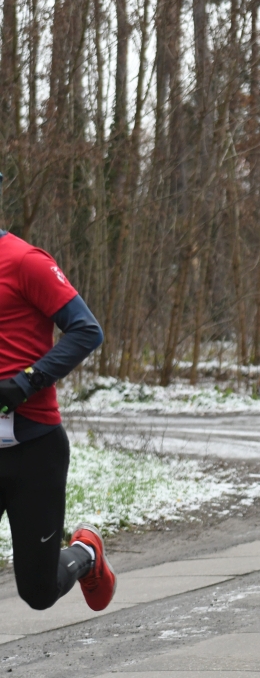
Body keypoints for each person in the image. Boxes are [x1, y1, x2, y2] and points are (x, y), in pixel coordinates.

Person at [0, 174, 116, 612]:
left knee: (38, 590)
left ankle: (86, 553)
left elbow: (86, 330)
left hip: (34, 449)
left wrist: (28, 380)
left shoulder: (24, 261)